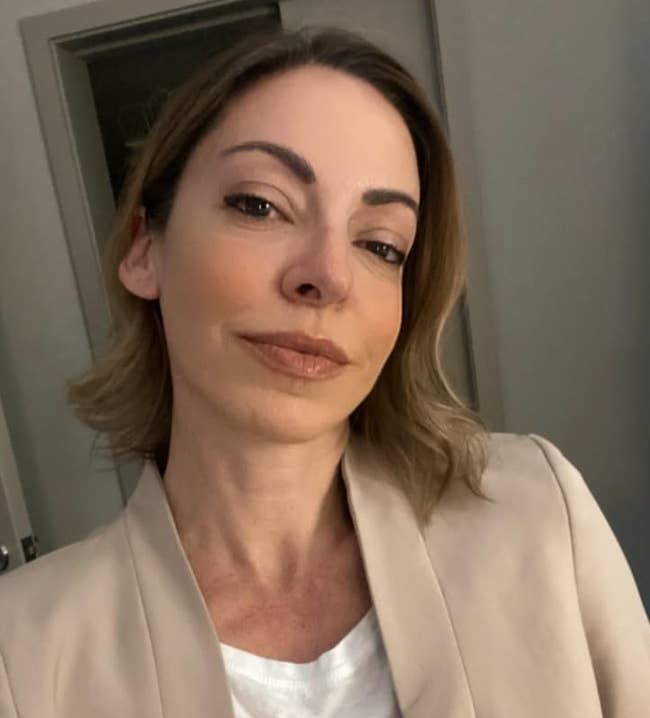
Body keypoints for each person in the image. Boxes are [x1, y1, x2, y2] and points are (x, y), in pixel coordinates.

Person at [0, 25, 648, 718]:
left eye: (381, 245)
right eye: (261, 204)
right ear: (143, 248)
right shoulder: (22, 653)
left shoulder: (539, 518)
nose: (329, 277)